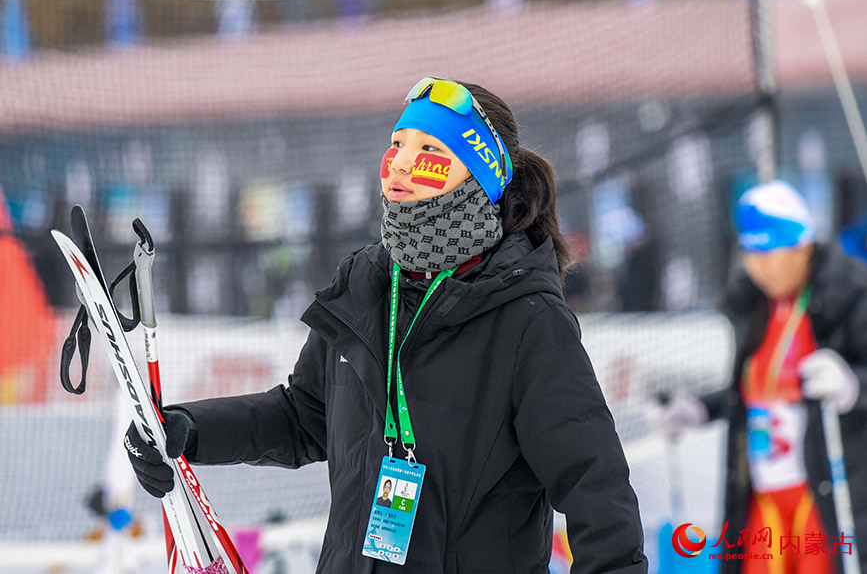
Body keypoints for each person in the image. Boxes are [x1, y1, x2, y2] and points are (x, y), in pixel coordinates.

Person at [124, 77, 647, 574]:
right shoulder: (365, 284)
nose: (399, 165)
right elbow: (305, 416)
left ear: (481, 174)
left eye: (429, 154)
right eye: (397, 146)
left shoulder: (529, 320)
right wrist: (192, 430)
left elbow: (595, 489)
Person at [659, 180, 867, 573]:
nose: (758, 268)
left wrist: (852, 387)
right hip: (763, 493)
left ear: (802, 247)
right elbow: (753, 389)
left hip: (821, 493)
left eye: (769, 253)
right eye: (751, 254)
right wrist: (700, 409)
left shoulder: (850, 293)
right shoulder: (754, 305)